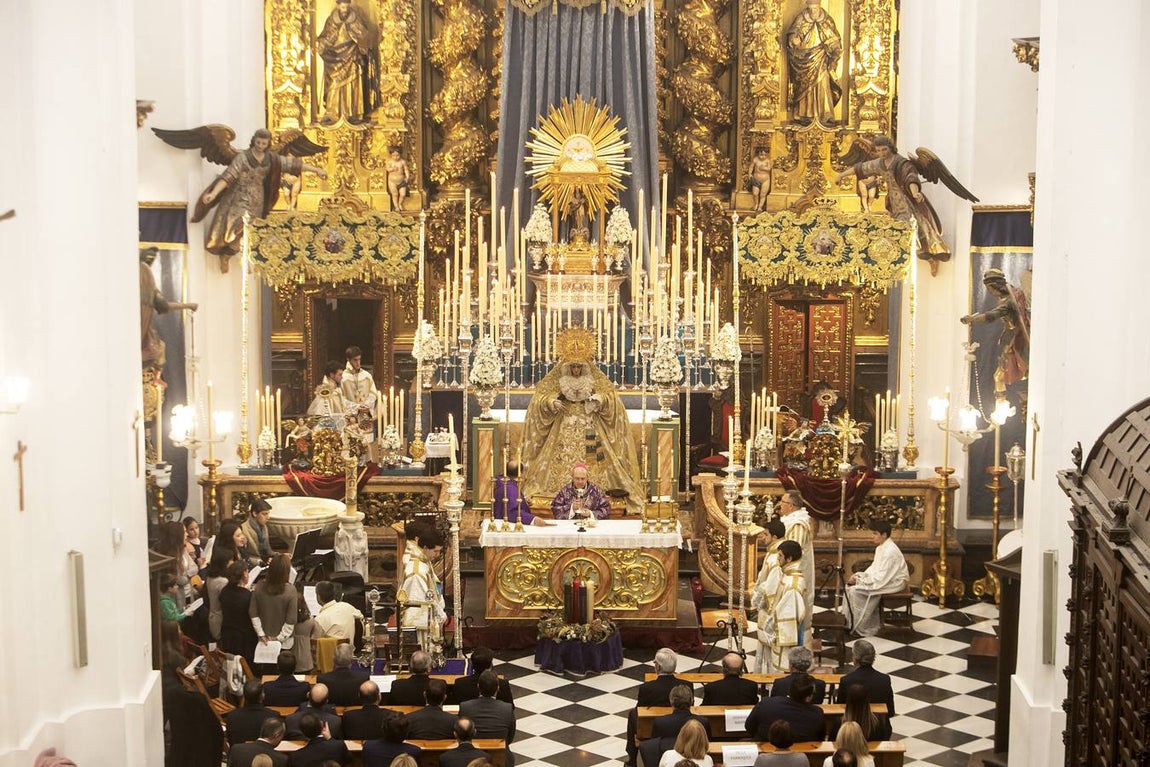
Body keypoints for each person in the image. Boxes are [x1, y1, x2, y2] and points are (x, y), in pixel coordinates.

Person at [520, 337, 644, 513]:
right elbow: (540, 398)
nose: (576, 370)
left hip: (589, 427)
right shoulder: (559, 379)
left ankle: (594, 492)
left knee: (594, 458)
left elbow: (610, 397)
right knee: (560, 457)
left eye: (579, 367)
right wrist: (551, 402)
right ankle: (560, 492)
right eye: (573, 367)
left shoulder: (591, 379)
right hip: (564, 425)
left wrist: (599, 399)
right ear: (568, 366)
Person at [196, 129, 327, 262]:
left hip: (258, 199)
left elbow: (293, 164)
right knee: (237, 224)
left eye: (264, 143)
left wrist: (316, 170)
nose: (260, 146)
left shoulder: (271, 159)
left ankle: (231, 254)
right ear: (254, 141)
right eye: (258, 142)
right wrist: (213, 193)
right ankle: (232, 251)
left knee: (251, 229)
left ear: (268, 144)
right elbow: (228, 176)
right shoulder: (243, 158)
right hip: (239, 196)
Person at [835, 135, 956, 267]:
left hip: (908, 199)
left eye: (884, 150)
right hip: (894, 202)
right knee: (901, 228)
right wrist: (841, 175)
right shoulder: (880, 163)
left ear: (891, 148)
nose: (882, 153)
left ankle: (932, 253)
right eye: (879, 150)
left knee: (921, 225)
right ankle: (912, 253)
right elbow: (861, 168)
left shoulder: (902, 163)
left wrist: (915, 193)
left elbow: (911, 177)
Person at [961, 268, 1031, 402]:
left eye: (989, 288)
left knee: (1000, 376)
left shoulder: (1010, 301)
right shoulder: (1010, 296)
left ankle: (1001, 414)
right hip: (1010, 341)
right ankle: (999, 416)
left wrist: (972, 319)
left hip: (1017, 343)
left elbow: (991, 316)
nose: (989, 292)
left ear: (993, 286)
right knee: (999, 376)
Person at [626, 648, 692, 767]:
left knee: (633, 713)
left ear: (658, 667)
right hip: (685, 727)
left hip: (656, 732)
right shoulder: (687, 685)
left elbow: (640, 711)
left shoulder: (647, 688)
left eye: (655, 663)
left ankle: (632, 759)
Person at [316, 0, 378, 125]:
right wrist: (320, 45)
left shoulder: (355, 19)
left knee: (353, 83)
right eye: (342, 7)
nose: (344, 10)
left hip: (352, 56)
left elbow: (364, 35)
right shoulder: (331, 20)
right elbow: (326, 37)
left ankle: (353, 112)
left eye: (346, 7)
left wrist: (363, 43)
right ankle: (332, 113)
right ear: (338, 6)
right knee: (334, 83)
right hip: (335, 58)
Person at [844, 520, 908, 636]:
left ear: (884, 535)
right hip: (886, 579)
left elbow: (882, 577)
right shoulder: (881, 547)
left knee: (856, 591)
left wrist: (860, 581)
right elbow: (874, 568)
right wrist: (859, 576)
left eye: (875, 533)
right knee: (849, 587)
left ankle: (860, 626)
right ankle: (850, 623)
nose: (872, 536)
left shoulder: (890, 552)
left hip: (894, 582)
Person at [140, 246, 197, 369]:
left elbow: (163, 305)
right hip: (140, 339)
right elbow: (164, 306)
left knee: (160, 347)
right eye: (149, 258)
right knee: (158, 347)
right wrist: (188, 305)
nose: (150, 261)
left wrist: (187, 305)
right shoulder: (145, 277)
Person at [785, 0, 842, 125]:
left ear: (819, 6)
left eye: (815, 8)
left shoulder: (827, 20)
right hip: (804, 58)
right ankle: (806, 114)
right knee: (807, 86)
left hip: (821, 56)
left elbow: (834, 39)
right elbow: (794, 34)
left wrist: (834, 49)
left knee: (823, 83)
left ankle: (825, 114)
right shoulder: (801, 18)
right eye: (810, 8)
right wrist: (794, 39)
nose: (813, 11)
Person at [758, 540, 808, 673]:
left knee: (784, 667)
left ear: (789, 558)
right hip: (781, 628)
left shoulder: (792, 584)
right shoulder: (788, 575)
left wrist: (772, 624)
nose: (778, 559)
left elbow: (790, 614)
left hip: (787, 634)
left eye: (780, 556)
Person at [399, 521, 447, 653]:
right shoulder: (416, 572)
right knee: (423, 653)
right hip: (421, 624)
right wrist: (440, 613)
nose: (437, 555)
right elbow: (421, 601)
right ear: (425, 547)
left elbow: (433, 586)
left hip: (428, 617)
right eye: (435, 551)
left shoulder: (423, 560)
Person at [778, 491, 815, 645]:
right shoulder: (791, 520)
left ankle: (797, 645)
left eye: (782, 501)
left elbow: (794, 550)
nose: (780, 504)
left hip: (796, 573)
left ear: (791, 506)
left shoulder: (798, 524)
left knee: (796, 608)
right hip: (789, 571)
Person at [745, 673, 825, 743]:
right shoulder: (817, 714)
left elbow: (749, 727)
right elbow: (820, 738)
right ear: (809, 697)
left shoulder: (766, 704)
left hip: (765, 748)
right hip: (805, 755)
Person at [249, 553, 297, 668]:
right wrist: (278, 639)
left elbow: (253, 614)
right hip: (284, 644)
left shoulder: (259, 587)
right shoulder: (290, 590)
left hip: (264, 641)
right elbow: (291, 620)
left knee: (265, 673)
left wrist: (262, 635)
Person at [751, 519, 787, 672]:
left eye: (765, 534)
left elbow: (770, 588)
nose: (762, 537)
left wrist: (756, 598)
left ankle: (771, 680)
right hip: (769, 608)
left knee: (771, 651)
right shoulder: (774, 553)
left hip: (771, 609)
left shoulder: (775, 558)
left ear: (774, 537)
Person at [459, 670, 516, 766]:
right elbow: (510, 736)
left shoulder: (465, 707)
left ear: (478, 687)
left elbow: (462, 733)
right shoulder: (507, 708)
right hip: (502, 758)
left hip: (471, 758)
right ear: (497, 688)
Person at [836, 640, 895, 717]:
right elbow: (890, 712)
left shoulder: (846, 680)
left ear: (855, 658)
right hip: (879, 727)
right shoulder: (885, 679)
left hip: (854, 726)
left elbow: (839, 710)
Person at [224, 679, 282, 747]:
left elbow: (230, 740)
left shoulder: (232, 716)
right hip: (266, 755)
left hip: (239, 755)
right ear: (262, 696)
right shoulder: (273, 716)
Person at [220, 561, 259, 661]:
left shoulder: (224, 591)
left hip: (227, 634)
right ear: (244, 574)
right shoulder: (247, 596)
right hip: (244, 637)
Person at [492, 462, 545, 526]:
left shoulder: (504, 483)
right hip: (508, 528)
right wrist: (533, 519)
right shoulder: (510, 488)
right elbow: (511, 512)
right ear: (520, 473)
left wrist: (523, 501)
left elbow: (508, 503)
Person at [205, 545, 235, 642]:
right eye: (230, 560)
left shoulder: (211, 576)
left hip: (213, 616)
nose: (233, 562)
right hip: (220, 619)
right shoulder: (222, 581)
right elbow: (229, 599)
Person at [340, 345, 379, 417]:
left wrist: (367, 405)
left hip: (366, 415)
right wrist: (356, 407)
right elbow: (340, 399)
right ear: (348, 359)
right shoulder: (343, 378)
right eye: (355, 360)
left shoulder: (366, 376)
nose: (358, 363)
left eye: (359, 359)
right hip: (350, 417)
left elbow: (373, 393)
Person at [747, 146, 773, 212]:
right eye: (761, 155)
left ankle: (760, 207)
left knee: (763, 194)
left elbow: (769, 169)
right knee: (755, 193)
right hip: (756, 179)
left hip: (766, 180)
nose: (763, 156)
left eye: (765, 155)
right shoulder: (755, 160)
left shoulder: (768, 161)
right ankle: (756, 204)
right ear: (758, 154)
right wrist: (750, 174)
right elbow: (751, 167)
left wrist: (763, 168)